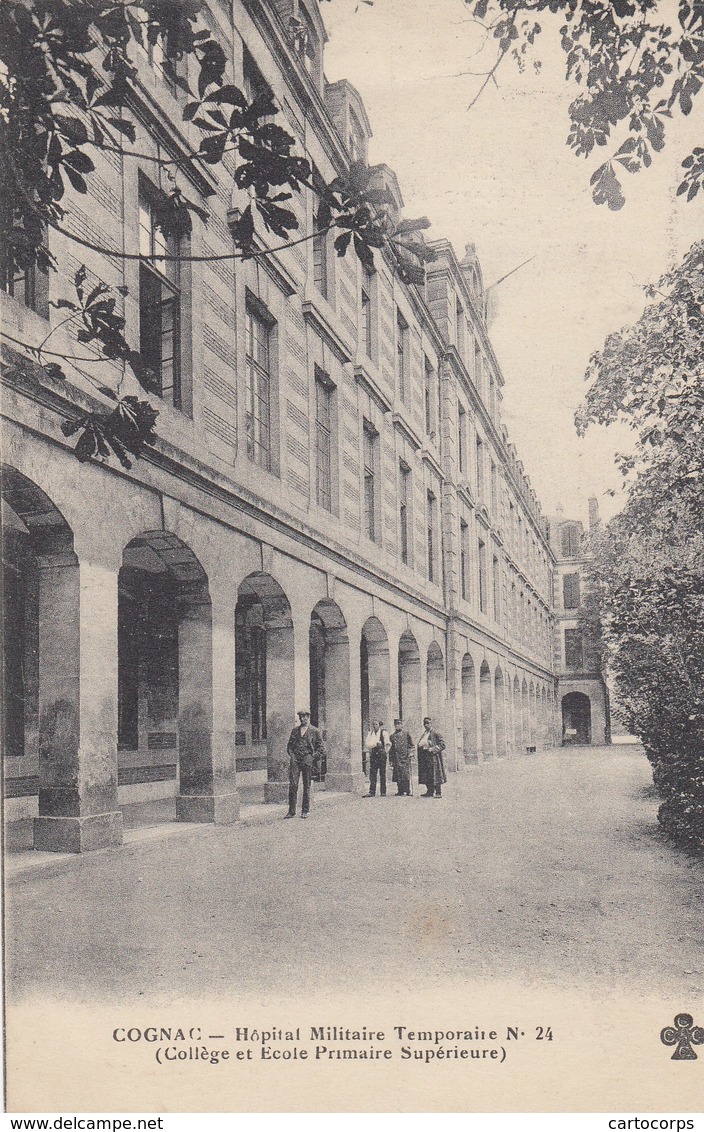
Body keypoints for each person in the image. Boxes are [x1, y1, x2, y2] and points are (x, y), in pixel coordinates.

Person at [285, 710, 324, 819]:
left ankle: (305, 810)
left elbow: (321, 748)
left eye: (305, 717)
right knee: (293, 785)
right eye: (301, 717)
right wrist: (292, 756)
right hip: (296, 760)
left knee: (307, 785)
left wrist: (312, 757)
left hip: (307, 759)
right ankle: (291, 811)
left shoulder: (314, 731)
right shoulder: (295, 730)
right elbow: (289, 746)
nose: (303, 719)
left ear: (308, 717)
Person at [417, 716, 447, 797]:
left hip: (433, 757)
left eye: (427, 723)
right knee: (427, 774)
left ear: (431, 724)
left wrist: (433, 749)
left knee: (436, 774)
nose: (426, 725)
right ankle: (429, 791)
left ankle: (438, 792)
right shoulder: (424, 734)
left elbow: (443, 745)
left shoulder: (436, 733)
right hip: (425, 756)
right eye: (424, 724)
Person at [364, 719, 391, 797]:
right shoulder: (370, 733)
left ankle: (383, 791)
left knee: (382, 773)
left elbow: (388, 743)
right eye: (373, 725)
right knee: (373, 773)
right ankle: (372, 791)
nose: (374, 726)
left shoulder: (384, 733)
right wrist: (375, 744)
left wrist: (385, 752)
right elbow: (367, 744)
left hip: (381, 755)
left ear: (379, 725)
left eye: (376, 724)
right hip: (373, 755)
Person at [389, 718, 414, 796]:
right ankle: (400, 790)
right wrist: (391, 760)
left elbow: (411, 745)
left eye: (399, 724)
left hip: (405, 757)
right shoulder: (392, 736)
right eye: (396, 724)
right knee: (397, 775)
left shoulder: (406, 734)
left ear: (402, 725)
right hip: (396, 758)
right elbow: (391, 749)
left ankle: (407, 790)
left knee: (405, 775)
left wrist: (411, 753)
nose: (397, 726)